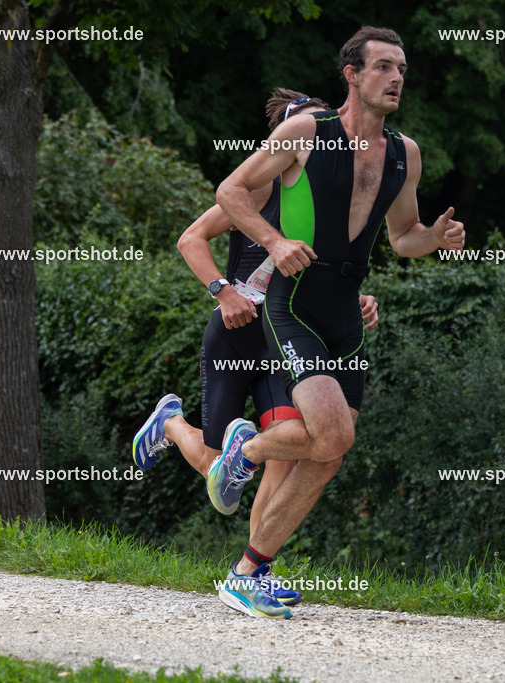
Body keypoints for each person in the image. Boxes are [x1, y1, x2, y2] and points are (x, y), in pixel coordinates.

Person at [207, 26, 466, 618]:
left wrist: (434, 238)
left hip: (346, 311)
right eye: (383, 67)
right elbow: (231, 191)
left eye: (401, 69)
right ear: (352, 74)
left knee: (328, 453)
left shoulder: (404, 153)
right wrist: (274, 241)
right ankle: (247, 452)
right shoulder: (306, 132)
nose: (396, 78)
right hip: (295, 302)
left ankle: (247, 572)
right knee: (334, 434)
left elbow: (402, 237)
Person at [131, 89, 380, 615]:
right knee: (217, 465)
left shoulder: (328, 196)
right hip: (236, 333)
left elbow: (330, 271)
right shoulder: (260, 187)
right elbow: (190, 239)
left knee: (289, 452)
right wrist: (223, 292)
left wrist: (354, 299)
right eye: (306, 128)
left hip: (285, 337)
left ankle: (252, 573)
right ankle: (171, 424)